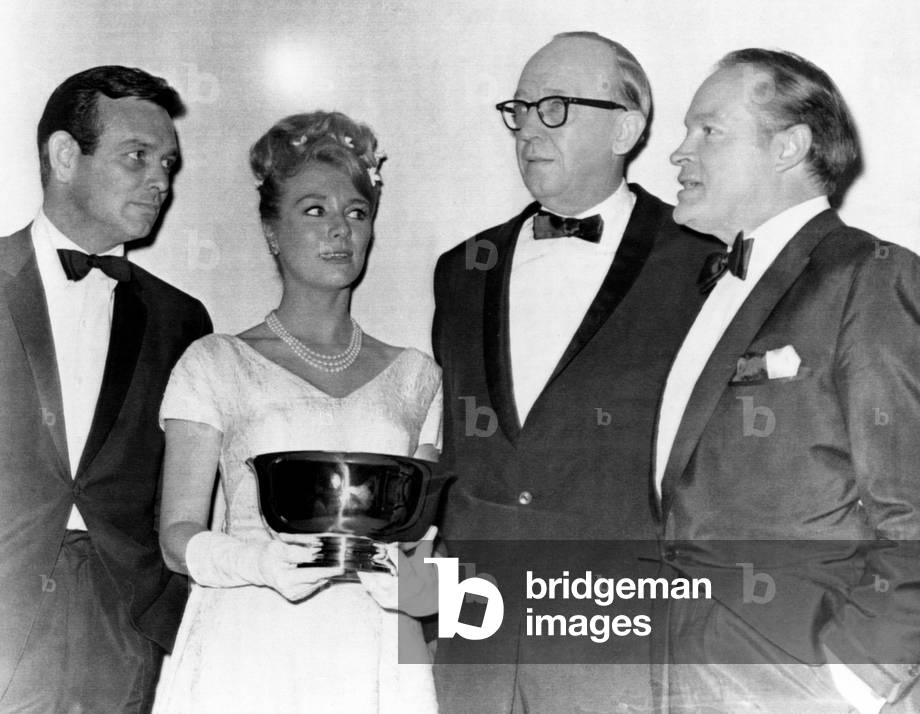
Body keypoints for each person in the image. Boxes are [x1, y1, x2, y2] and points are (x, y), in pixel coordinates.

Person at [0, 66, 212, 713]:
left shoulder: (182, 319)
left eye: (169, 165)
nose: (162, 181)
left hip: (122, 634)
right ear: (65, 155)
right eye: (138, 157)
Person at [431, 31, 718, 712]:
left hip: (618, 643)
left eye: (554, 107)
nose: (528, 128)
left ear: (626, 127)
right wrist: (426, 619)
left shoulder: (701, 263)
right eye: (520, 109)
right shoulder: (459, 270)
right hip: (473, 645)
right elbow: (453, 468)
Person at [655, 48, 920, 712]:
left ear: (790, 146)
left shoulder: (871, 276)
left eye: (708, 130)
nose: (679, 153)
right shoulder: (706, 290)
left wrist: (852, 682)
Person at [153, 111, 442, 714]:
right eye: (314, 210)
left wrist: (418, 591)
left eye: (356, 213)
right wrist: (258, 562)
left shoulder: (416, 376)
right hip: (249, 644)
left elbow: (417, 549)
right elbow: (176, 538)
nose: (340, 230)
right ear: (271, 231)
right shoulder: (215, 363)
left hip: (375, 650)